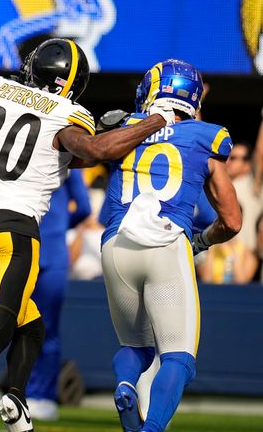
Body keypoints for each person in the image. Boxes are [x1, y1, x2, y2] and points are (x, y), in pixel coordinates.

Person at [0, 0, 172, 432]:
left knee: (30, 324)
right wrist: (153, 121)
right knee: (0, 321)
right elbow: (95, 151)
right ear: (69, 85)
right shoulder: (67, 113)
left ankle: (16, 402)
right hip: (14, 233)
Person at [99, 59, 242, 432]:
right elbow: (232, 220)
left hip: (116, 244)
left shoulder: (123, 128)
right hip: (166, 243)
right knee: (178, 357)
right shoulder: (203, 136)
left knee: (136, 347)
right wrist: (201, 241)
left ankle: (127, 384)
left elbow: (87, 154)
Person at [25, 170, 91, 421]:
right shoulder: (69, 163)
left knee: (25, 327)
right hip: (51, 253)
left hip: (26, 249)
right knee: (46, 329)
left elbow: (84, 208)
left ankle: (30, 393)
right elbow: (83, 207)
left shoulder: (29, 155)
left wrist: (61, 223)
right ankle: (39, 396)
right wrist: (60, 223)